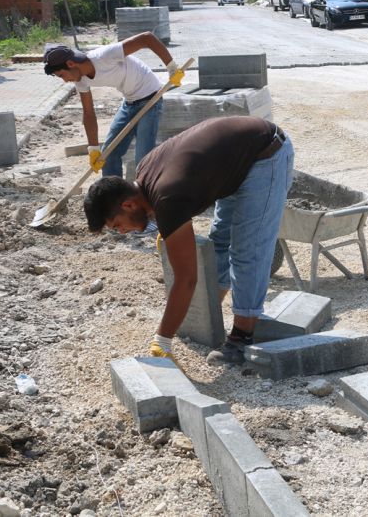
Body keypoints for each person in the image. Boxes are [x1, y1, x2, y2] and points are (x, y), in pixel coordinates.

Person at [82, 116, 295, 366]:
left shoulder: (167, 197)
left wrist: (163, 339)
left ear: (128, 205)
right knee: (219, 242)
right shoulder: (144, 175)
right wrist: (166, 225)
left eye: (118, 225)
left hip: (266, 155)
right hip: (236, 161)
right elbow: (179, 190)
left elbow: (186, 279)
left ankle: (241, 338)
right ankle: (211, 314)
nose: (121, 232)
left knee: (248, 250)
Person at [43, 32, 184, 179]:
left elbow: (146, 38)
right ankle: (113, 192)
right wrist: (93, 148)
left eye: (62, 75)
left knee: (143, 160)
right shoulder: (81, 80)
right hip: (129, 103)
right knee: (108, 155)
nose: (65, 81)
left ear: (71, 64)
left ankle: (146, 192)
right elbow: (89, 113)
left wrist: (171, 67)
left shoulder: (104, 56)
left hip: (151, 99)